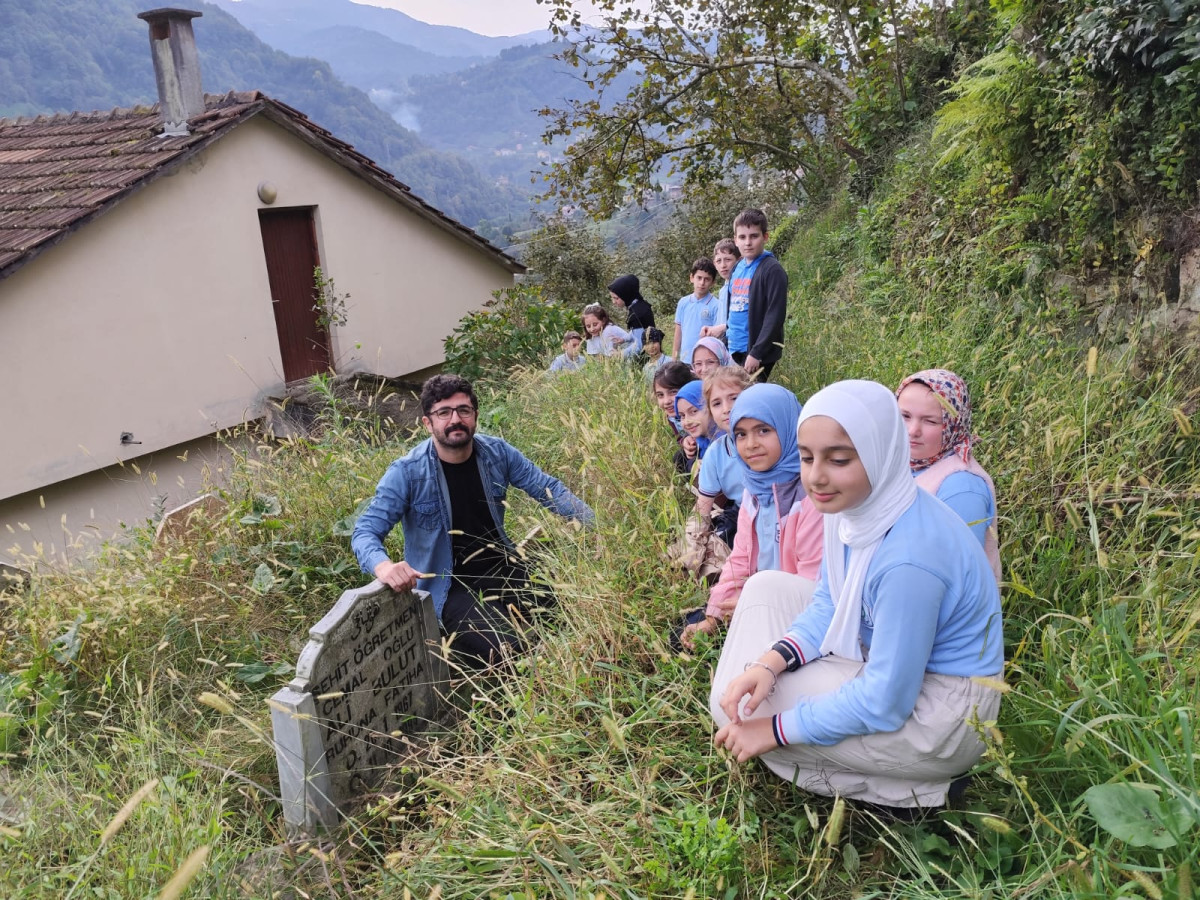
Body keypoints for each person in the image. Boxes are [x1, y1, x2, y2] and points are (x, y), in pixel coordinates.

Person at [711, 380, 1004, 810]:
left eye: (839, 459)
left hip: (944, 713)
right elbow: (829, 603)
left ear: (882, 452)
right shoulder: (854, 506)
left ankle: (921, 789)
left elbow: (885, 700)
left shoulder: (910, 560)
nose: (815, 477)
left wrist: (773, 730)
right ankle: (860, 767)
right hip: (893, 663)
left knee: (744, 718)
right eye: (807, 457)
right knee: (765, 587)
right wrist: (771, 663)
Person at [352, 374, 595, 668]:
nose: (455, 419)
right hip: (449, 587)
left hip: (503, 566)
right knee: (507, 651)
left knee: (574, 610)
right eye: (444, 412)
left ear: (475, 416)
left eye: (463, 410)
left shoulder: (498, 453)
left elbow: (548, 489)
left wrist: (596, 525)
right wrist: (385, 566)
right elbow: (365, 532)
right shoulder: (407, 472)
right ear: (428, 423)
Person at [680, 383, 823, 650]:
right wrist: (713, 617)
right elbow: (741, 558)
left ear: (789, 428)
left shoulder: (811, 496)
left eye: (764, 430)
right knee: (683, 632)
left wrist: (756, 606)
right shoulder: (755, 490)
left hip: (803, 616)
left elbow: (811, 585)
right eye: (741, 434)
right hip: (758, 597)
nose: (751, 444)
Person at [897, 369, 1001, 580]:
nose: (912, 430)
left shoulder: (961, 487)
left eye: (930, 421)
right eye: (904, 416)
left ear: (954, 424)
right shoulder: (905, 464)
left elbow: (957, 572)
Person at [696, 365, 756, 548]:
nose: (727, 409)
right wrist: (695, 542)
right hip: (742, 513)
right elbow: (703, 508)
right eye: (717, 403)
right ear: (710, 412)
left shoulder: (772, 439)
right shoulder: (716, 453)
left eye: (734, 398)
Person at [726, 209, 787, 382]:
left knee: (747, 400)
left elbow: (775, 315)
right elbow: (734, 309)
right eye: (743, 237)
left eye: (754, 236)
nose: (748, 243)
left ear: (765, 237)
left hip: (754, 352)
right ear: (735, 240)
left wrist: (757, 352)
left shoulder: (771, 270)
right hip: (734, 347)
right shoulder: (737, 268)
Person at [673, 257, 723, 365]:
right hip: (684, 360)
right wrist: (674, 358)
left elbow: (716, 338)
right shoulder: (683, 302)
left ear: (713, 282)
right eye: (699, 278)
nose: (702, 282)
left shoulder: (716, 305)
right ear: (691, 278)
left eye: (707, 279)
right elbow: (678, 332)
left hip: (704, 362)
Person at [674, 379, 720, 474]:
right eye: (682, 415)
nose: (687, 421)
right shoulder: (700, 441)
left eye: (694, 411)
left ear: (710, 407)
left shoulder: (725, 443)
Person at [701, 238, 740, 345]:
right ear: (715, 264)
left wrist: (722, 328)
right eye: (719, 261)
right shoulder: (723, 291)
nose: (723, 265)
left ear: (739, 260)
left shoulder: (742, 286)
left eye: (728, 260)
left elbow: (744, 319)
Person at [608, 274, 656, 357]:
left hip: (646, 357)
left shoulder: (636, 314)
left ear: (626, 294)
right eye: (612, 298)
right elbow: (638, 331)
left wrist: (620, 354)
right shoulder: (640, 305)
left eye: (616, 298)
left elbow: (640, 345)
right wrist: (624, 339)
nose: (613, 302)